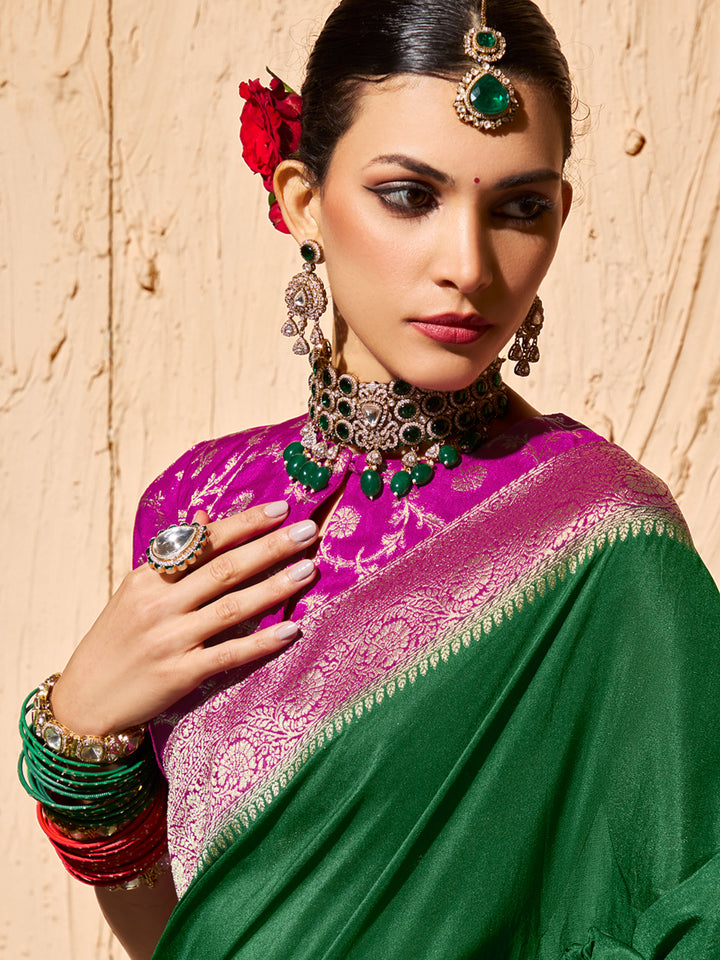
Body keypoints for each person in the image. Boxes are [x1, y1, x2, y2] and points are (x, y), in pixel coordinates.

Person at [17, 0, 720, 957]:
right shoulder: (197, 505)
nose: (468, 266)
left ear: (560, 214)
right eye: (408, 195)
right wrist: (81, 736)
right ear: (303, 200)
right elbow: (189, 933)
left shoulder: (608, 543)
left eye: (518, 208)